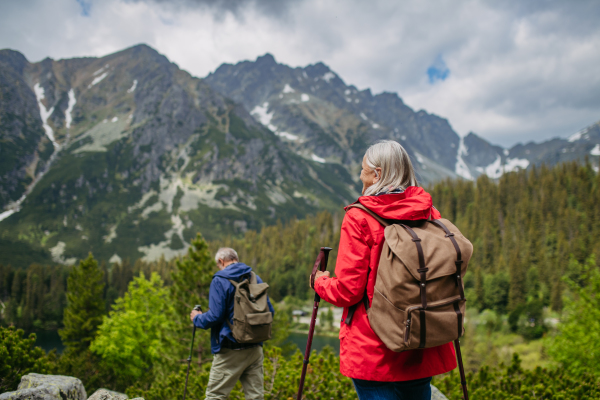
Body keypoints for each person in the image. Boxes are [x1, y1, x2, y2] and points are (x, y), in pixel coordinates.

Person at [311, 140, 457, 400]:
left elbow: (348, 291)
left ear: (377, 174)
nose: (360, 175)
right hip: (421, 338)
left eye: (363, 168)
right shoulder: (430, 213)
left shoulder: (360, 217)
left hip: (375, 346)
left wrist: (319, 282)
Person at [190, 247, 274, 400]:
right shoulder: (255, 278)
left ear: (221, 262)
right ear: (236, 258)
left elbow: (215, 316)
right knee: (255, 397)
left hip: (231, 349)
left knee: (215, 396)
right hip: (255, 348)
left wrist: (197, 318)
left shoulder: (220, 280)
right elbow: (271, 311)